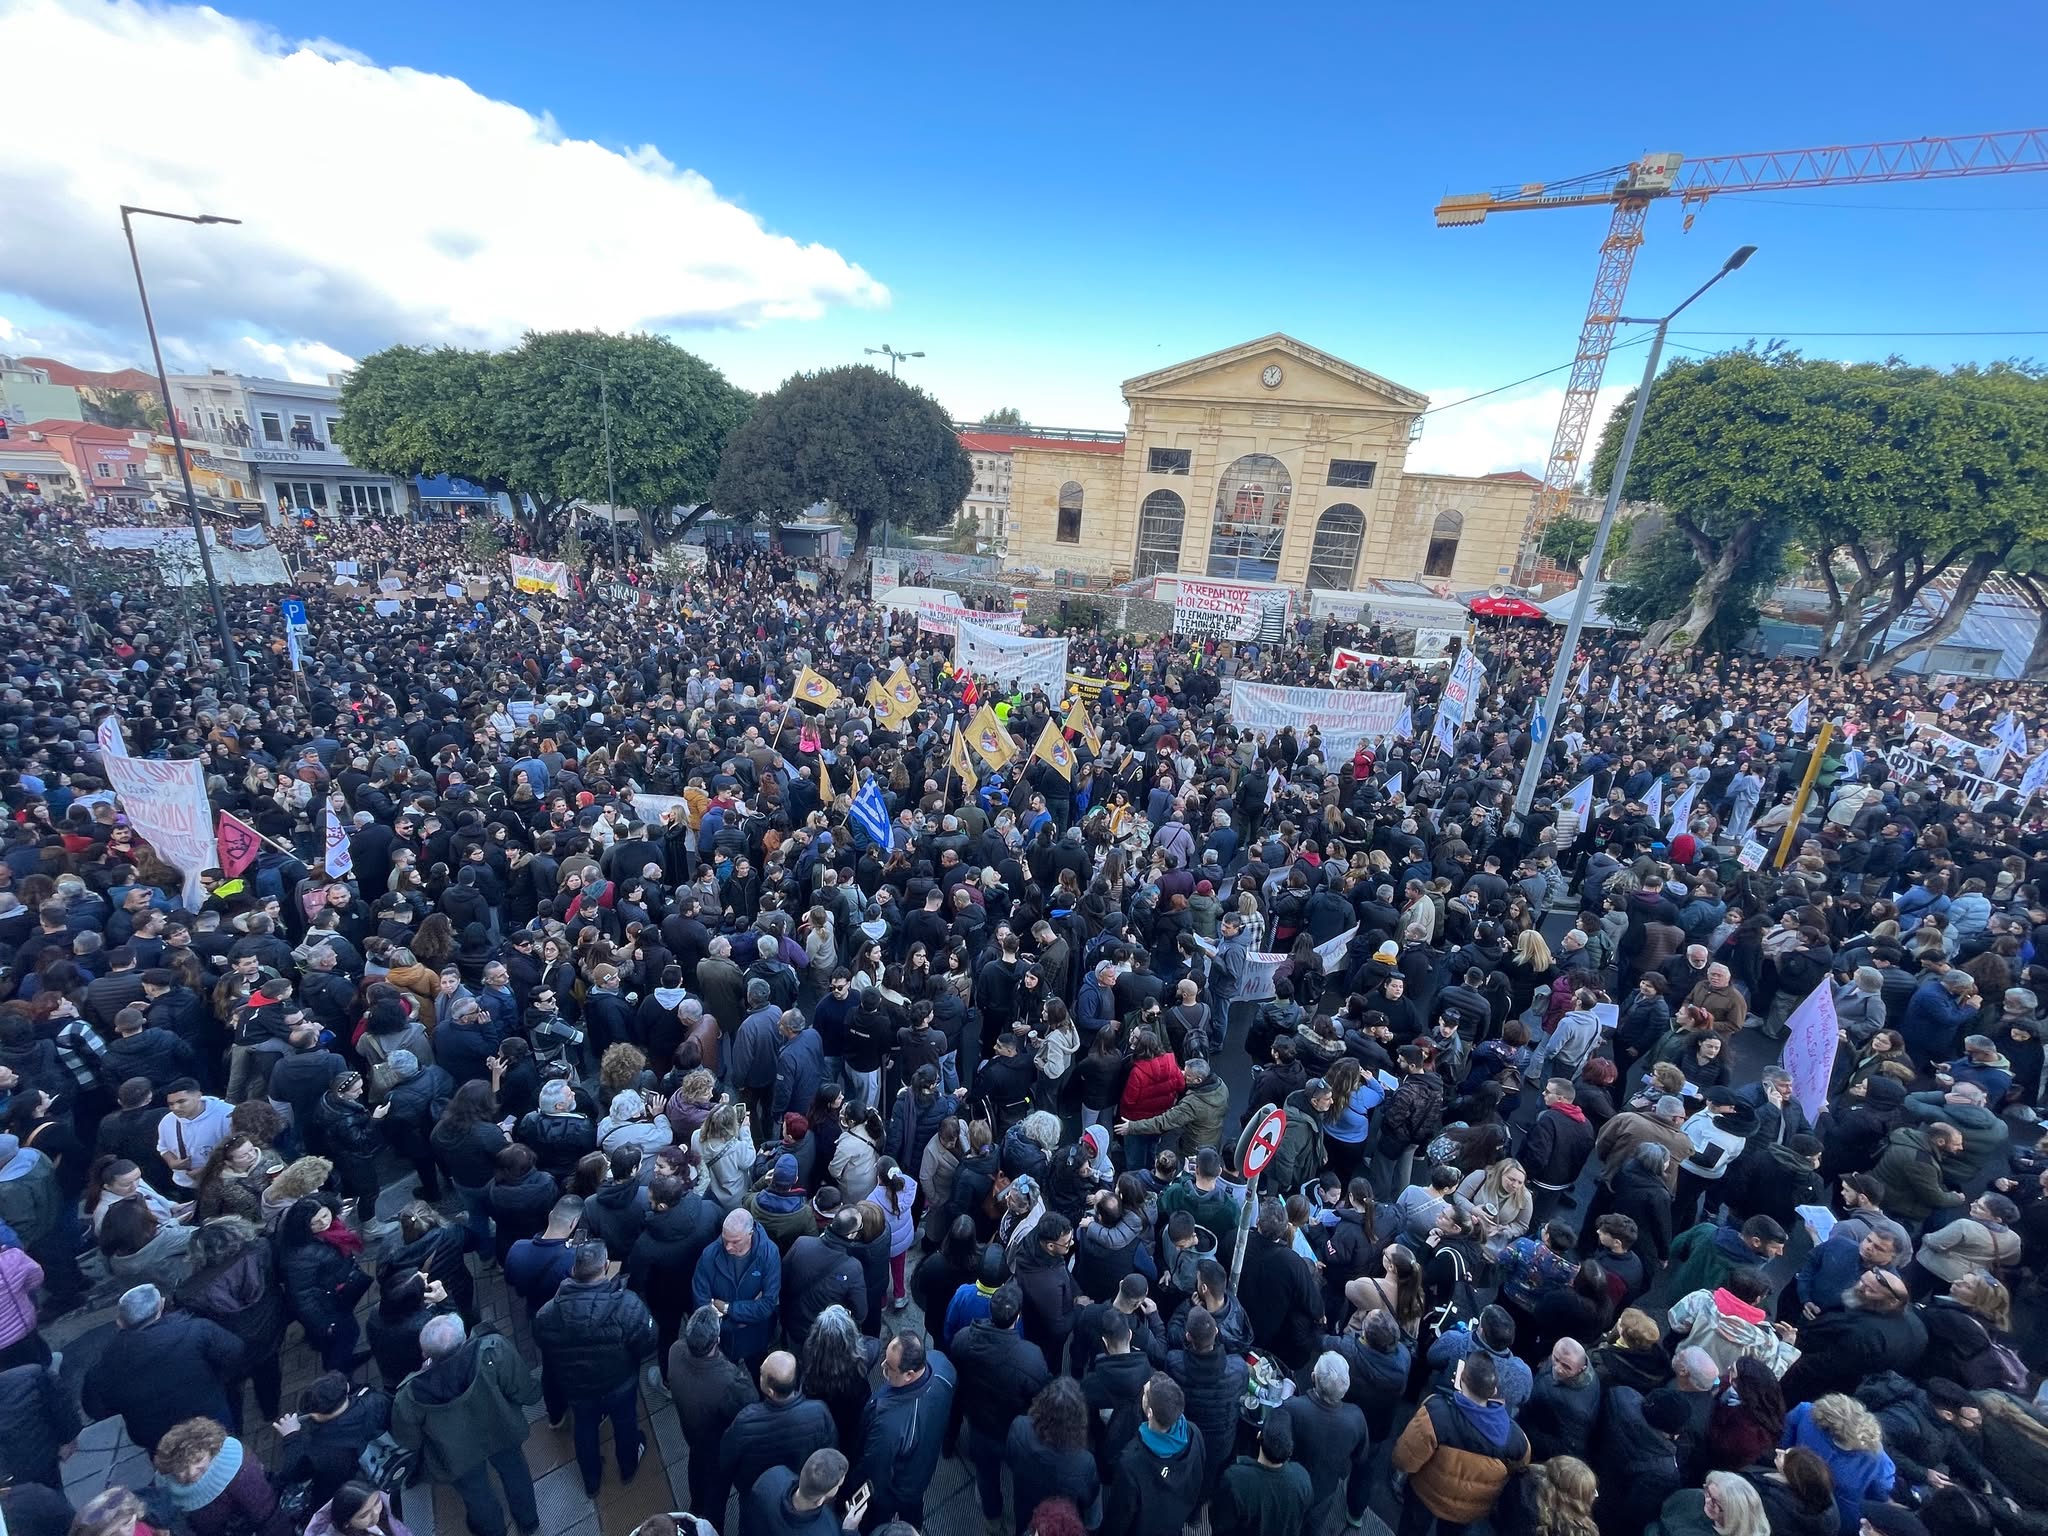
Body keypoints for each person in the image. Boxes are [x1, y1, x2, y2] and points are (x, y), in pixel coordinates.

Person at [390, 1314, 541, 1536]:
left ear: (425, 1353)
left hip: (455, 1456)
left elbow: (408, 1439)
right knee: (515, 1472)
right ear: (463, 1338)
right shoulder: (492, 1351)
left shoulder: (410, 1395)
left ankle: (494, 1531)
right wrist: (533, 1393)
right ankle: (528, 1521)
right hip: (501, 1430)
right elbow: (519, 1386)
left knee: (476, 1494)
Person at [531, 1240, 656, 1496]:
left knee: (584, 1427)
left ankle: (591, 1480)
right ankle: (628, 1466)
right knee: (625, 1422)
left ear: (574, 1269)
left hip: (576, 1386)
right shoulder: (627, 1305)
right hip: (619, 1382)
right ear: (606, 1266)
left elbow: (545, 1346)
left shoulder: (547, 1313)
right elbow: (648, 1341)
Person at [81, 1283, 244, 1450]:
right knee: (225, 1458)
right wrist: (217, 1378)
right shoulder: (198, 1330)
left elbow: (95, 1408)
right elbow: (235, 1352)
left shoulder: (105, 1366)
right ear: (161, 1306)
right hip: (210, 1420)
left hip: (159, 1440)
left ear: (121, 1323)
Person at [1394, 1349, 1531, 1536]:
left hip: (1425, 1497)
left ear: (1461, 1380)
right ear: (1494, 1390)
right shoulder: (1517, 1440)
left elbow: (1404, 1459)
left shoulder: (1434, 1414)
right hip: (1468, 1511)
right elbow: (1518, 1473)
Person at [952, 1282, 1052, 1523]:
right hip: (1014, 1428)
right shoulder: (1030, 1357)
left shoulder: (963, 1339)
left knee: (986, 1475)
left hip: (979, 1423)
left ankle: (992, 1516)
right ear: (1017, 1318)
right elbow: (1040, 1396)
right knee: (1021, 1479)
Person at [722, 1350, 836, 1535]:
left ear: (770, 1390)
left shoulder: (746, 1421)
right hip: (797, 1492)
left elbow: (726, 1458)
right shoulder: (819, 1412)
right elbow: (830, 1449)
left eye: (761, 1373)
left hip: (755, 1491)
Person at [667, 1304, 757, 1521]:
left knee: (696, 1470)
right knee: (716, 1496)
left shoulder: (675, 1351)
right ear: (716, 1340)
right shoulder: (728, 1381)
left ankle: (695, 1507)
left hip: (693, 1436)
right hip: (718, 1446)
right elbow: (751, 1404)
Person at [859, 1330, 957, 1529]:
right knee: (913, 1514)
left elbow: (876, 1468)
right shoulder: (942, 1366)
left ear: (909, 1375)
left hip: (897, 1488)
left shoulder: (891, 1424)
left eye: (890, 1367)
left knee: (879, 1521)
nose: (883, 1367)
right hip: (922, 1472)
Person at [1102, 1371, 1206, 1536]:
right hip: (1176, 1518)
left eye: (1145, 1394)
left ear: (1149, 1412)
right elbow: (1198, 1478)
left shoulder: (1130, 1462)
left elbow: (1120, 1515)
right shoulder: (1194, 1433)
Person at [1278, 1350, 1371, 1533]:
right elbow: (1361, 1458)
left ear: (1313, 1378)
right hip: (1324, 1491)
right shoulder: (1356, 1417)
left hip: (1289, 1485)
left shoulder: (1294, 1408)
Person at [694, 1207, 781, 1367]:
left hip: (755, 1336)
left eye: (735, 1242)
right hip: (722, 1337)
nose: (727, 1247)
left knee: (756, 1371)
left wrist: (727, 1308)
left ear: (750, 1234)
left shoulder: (769, 1254)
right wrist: (740, 1319)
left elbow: (767, 1305)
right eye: (725, 1239)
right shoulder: (709, 1255)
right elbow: (701, 1303)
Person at [1212, 1411, 1313, 1536]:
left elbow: (1220, 1523)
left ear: (1259, 1436)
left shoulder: (1234, 1479)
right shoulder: (1302, 1478)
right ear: (1290, 1450)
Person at [747, 1446, 849, 1536]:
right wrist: (849, 1532)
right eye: (838, 1486)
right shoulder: (830, 1530)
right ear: (820, 1500)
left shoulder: (773, 1476)